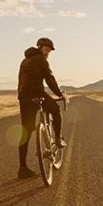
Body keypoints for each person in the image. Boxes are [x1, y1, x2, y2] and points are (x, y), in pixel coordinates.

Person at [17, 37, 69, 179]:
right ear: (39, 48)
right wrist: (60, 94)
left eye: (49, 51)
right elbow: (49, 78)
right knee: (56, 110)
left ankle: (22, 169)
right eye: (46, 50)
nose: (47, 53)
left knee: (26, 132)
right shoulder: (40, 59)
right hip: (37, 94)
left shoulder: (24, 60)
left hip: (23, 98)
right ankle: (57, 139)